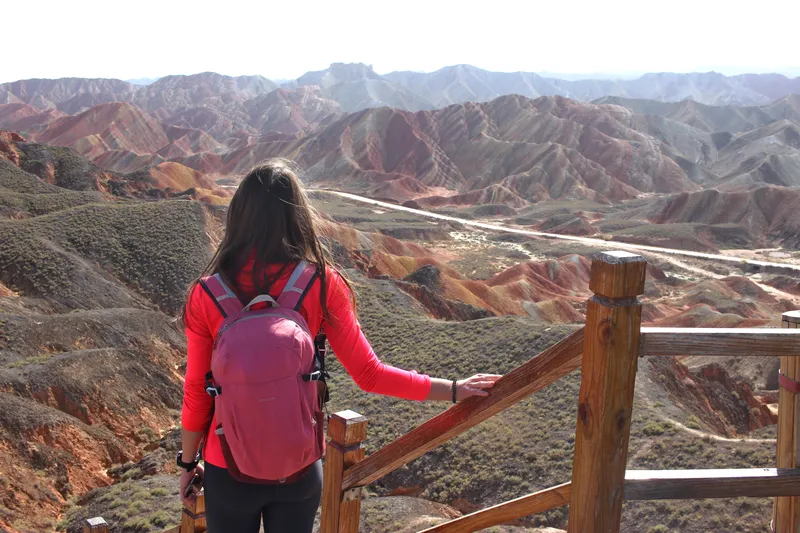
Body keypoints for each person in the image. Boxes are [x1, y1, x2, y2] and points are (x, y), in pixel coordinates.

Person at [179, 159, 502, 533]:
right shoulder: (321, 284)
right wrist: (453, 390)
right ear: (297, 215)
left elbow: (196, 393)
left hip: (227, 467)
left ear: (238, 215)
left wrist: (188, 465)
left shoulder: (207, 294)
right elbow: (369, 374)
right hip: (298, 467)